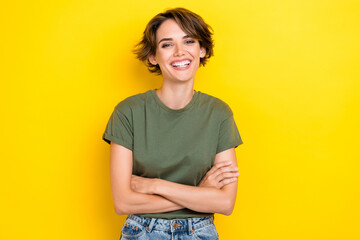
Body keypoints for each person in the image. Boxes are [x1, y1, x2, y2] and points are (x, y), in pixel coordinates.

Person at [102, 7, 243, 240]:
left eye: (189, 41)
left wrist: (155, 185)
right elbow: (123, 202)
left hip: (201, 232)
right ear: (153, 57)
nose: (179, 52)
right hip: (142, 232)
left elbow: (225, 202)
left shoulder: (219, 113)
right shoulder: (128, 112)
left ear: (202, 50)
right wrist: (200, 195)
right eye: (167, 44)